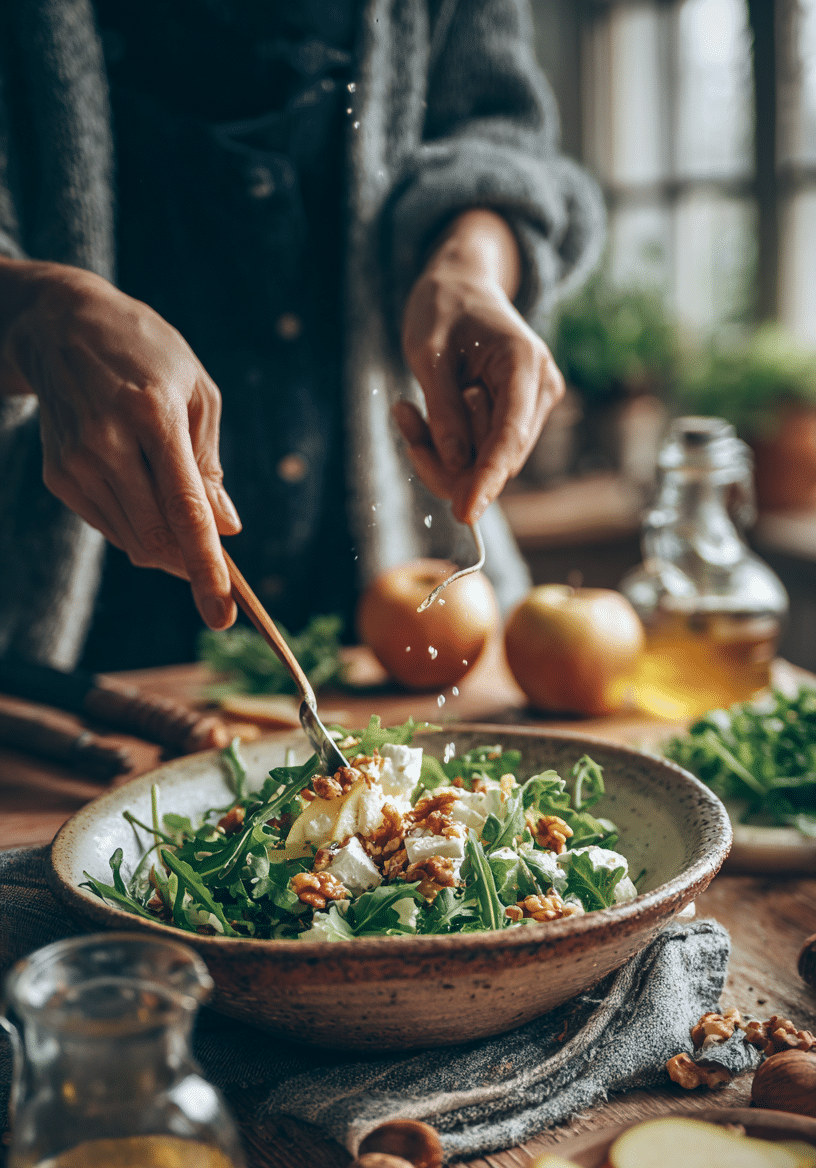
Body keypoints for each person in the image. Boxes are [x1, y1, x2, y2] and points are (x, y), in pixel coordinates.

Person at [0, 0, 603, 672]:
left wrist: (473, 261)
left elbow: (498, 134)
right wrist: (35, 316)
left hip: (379, 628)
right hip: (49, 658)